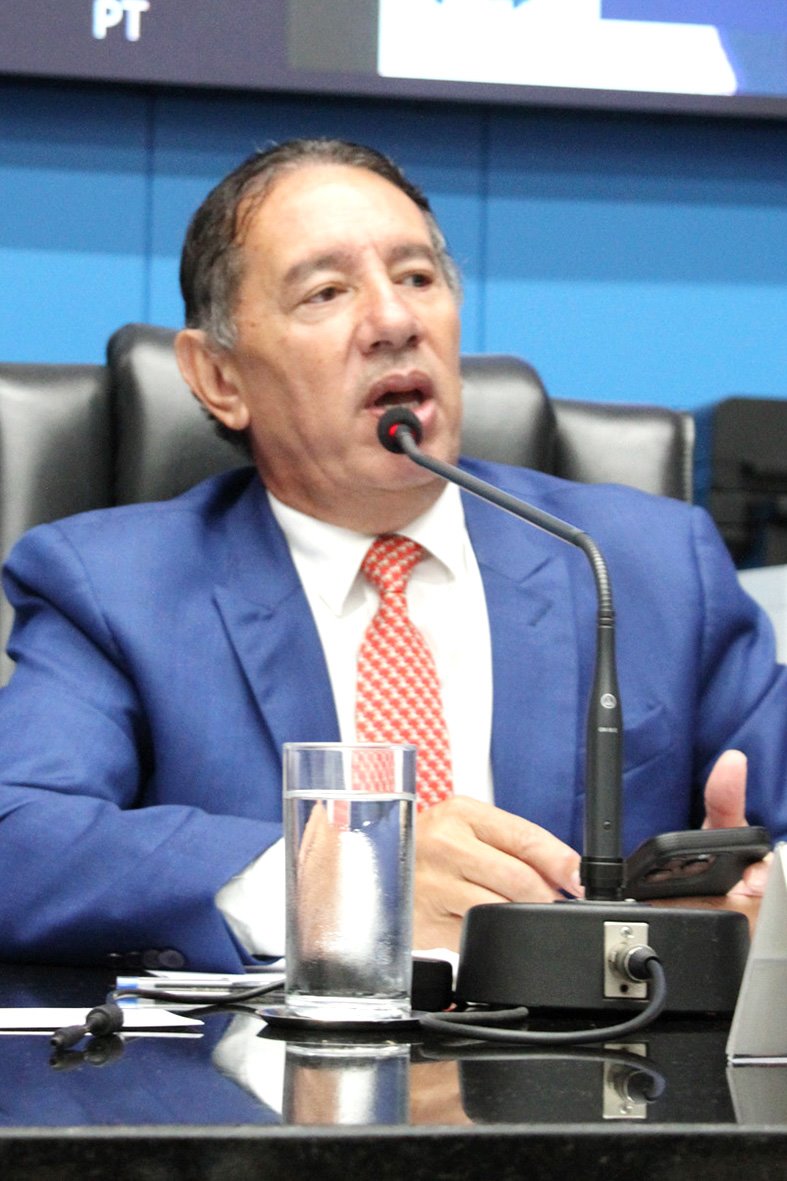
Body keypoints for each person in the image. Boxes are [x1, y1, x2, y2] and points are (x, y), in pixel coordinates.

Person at [0, 139, 783, 973]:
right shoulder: (116, 587)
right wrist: (340, 882)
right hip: (268, 1054)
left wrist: (756, 902)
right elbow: (20, 838)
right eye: (326, 291)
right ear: (219, 377)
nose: (394, 321)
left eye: (416, 277)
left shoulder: (638, 564)